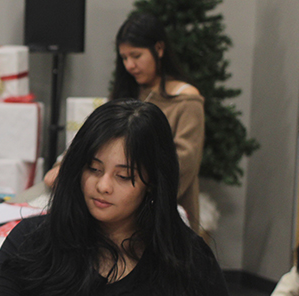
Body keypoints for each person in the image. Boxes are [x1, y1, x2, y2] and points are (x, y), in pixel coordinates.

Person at [0, 100, 242, 296]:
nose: (102, 186)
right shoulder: (33, 243)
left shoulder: (185, 255)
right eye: (93, 169)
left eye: (123, 176)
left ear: (152, 182)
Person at [45, 13, 205, 232]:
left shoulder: (186, 99)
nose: (130, 65)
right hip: (113, 219)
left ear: (159, 49)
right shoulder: (129, 93)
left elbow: (181, 166)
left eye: (136, 56)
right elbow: (95, 141)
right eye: (124, 58)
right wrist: (64, 167)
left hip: (158, 220)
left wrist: (135, 195)